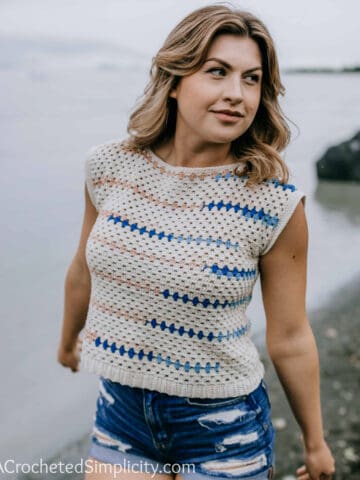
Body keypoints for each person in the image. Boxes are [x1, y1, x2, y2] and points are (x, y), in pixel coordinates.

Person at [57, 4, 335, 480]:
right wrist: (69, 341)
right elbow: (83, 266)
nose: (236, 94)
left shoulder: (274, 204)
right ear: (174, 79)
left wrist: (315, 443)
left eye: (251, 79)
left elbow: (289, 336)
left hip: (222, 427)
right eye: (217, 72)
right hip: (120, 409)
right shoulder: (108, 168)